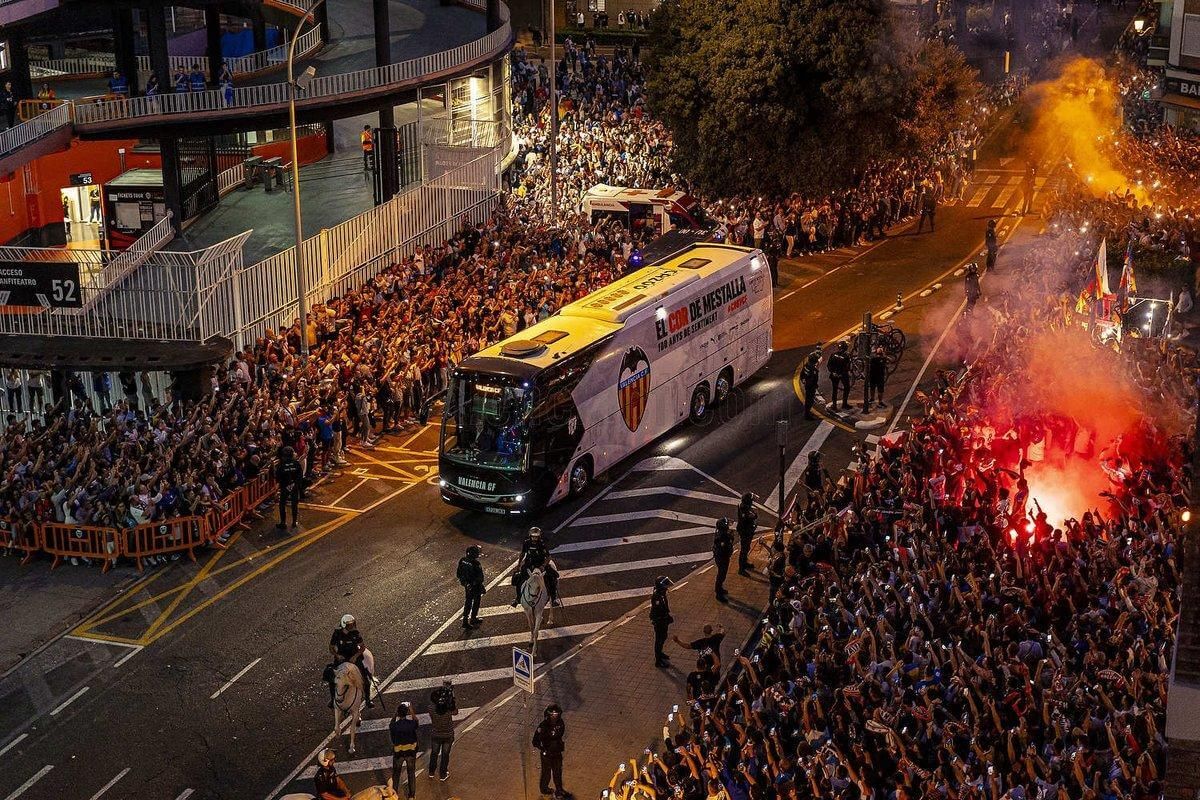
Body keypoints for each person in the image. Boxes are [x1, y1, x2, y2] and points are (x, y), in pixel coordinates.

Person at [328, 613, 373, 708]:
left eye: (353, 624)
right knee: (332, 678)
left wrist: (356, 656)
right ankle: (332, 699)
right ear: (344, 625)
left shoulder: (355, 633)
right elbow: (331, 647)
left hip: (353, 657)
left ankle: (368, 699)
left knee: (365, 678)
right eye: (350, 625)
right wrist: (337, 655)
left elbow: (362, 647)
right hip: (341, 658)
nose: (352, 626)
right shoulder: (337, 633)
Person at [512, 526, 559, 607]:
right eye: (533, 536)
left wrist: (543, 566)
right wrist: (519, 564)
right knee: (519, 579)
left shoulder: (542, 544)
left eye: (536, 537)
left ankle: (554, 598)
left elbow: (548, 557)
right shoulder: (526, 543)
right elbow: (522, 554)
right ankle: (518, 598)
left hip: (540, 565)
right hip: (529, 565)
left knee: (551, 577)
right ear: (530, 536)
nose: (534, 538)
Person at [532, 704, 566, 799]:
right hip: (547, 754)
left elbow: (560, 734)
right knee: (546, 773)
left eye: (556, 714)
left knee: (558, 772)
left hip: (557, 752)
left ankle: (559, 790)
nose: (555, 716)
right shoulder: (543, 726)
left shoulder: (560, 723)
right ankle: (544, 788)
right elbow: (535, 741)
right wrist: (543, 748)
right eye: (553, 715)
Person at [389, 702, 419, 799]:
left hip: (399, 753)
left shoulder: (395, 726)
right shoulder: (411, 724)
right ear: (406, 713)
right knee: (411, 773)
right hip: (410, 752)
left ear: (398, 714)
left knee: (396, 774)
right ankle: (411, 796)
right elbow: (416, 721)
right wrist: (411, 710)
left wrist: (395, 714)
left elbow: (391, 724)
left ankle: (394, 794)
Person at [428, 680, 456, 780]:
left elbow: (434, 701)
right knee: (445, 755)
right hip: (448, 735)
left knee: (434, 753)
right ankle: (443, 774)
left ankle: (431, 772)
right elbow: (455, 711)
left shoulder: (431, 709)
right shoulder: (448, 709)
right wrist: (451, 696)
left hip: (436, 734)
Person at [456, 544, 485, 629]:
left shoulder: (462, 560)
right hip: (475, 586)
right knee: (476, 601)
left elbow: (458, 574)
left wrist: (465, 583)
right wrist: (479, 585)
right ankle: (473, 618)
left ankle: (465, 620)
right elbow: (480, 578)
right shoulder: (476, 563)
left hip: (467, 586)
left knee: (468, 602)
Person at [275, 446, 302, 530]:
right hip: (294, 486)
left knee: (282, 504)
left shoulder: (281, 465)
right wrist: (295, 484)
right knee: (294, 504)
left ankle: (283, 522)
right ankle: (294, 522)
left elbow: (277, 476)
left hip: (285, 487)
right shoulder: (296, 463)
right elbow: (300, 475)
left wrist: (284, 484)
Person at [650, 575, 673, 667]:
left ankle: (660, 653)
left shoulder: (662, 594)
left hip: (663, 619)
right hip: (660, 621)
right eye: (665, 586)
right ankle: (658, 660)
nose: (667, 587)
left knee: (663, 637)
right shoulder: (657, 597)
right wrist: (664, 618)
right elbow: (658, 611)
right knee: (659, 640)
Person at [712, 517, 734, 601]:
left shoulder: (722, 533)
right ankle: (718, 593)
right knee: (721, 575)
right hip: (722, 557)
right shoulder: (722, 536)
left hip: (722, 556)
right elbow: (725, 546)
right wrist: (730, 538)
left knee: (722, 574)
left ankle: (720, 588)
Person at [827, 340, 851, 412]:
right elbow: (847, 367)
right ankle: (844, 404)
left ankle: (834, 405)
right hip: (843, 375)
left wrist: (833, 372)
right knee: (847, 388)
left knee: (835, 390)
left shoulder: (833, 355)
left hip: (834, 375)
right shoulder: (846, 356)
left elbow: (828, 365)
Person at [736, 492, 757, 574]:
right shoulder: (744, 508)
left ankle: (744, 563)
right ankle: (741, 569)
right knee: (744, 550)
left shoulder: (746, 506)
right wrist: (754, 515)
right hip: (745, 531)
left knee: (747, 548)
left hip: (747, 530)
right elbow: (750, 517)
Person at [800, 351, 820, 420]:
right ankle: (807, 415)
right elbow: (814, 380)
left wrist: (803, 381)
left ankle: (807, 412)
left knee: (808, 400)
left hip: (807, 386)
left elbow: (802, 374)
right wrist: (815, 386)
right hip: (811, 387)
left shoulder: (806, 365)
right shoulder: (814, 370)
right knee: (810, 401)